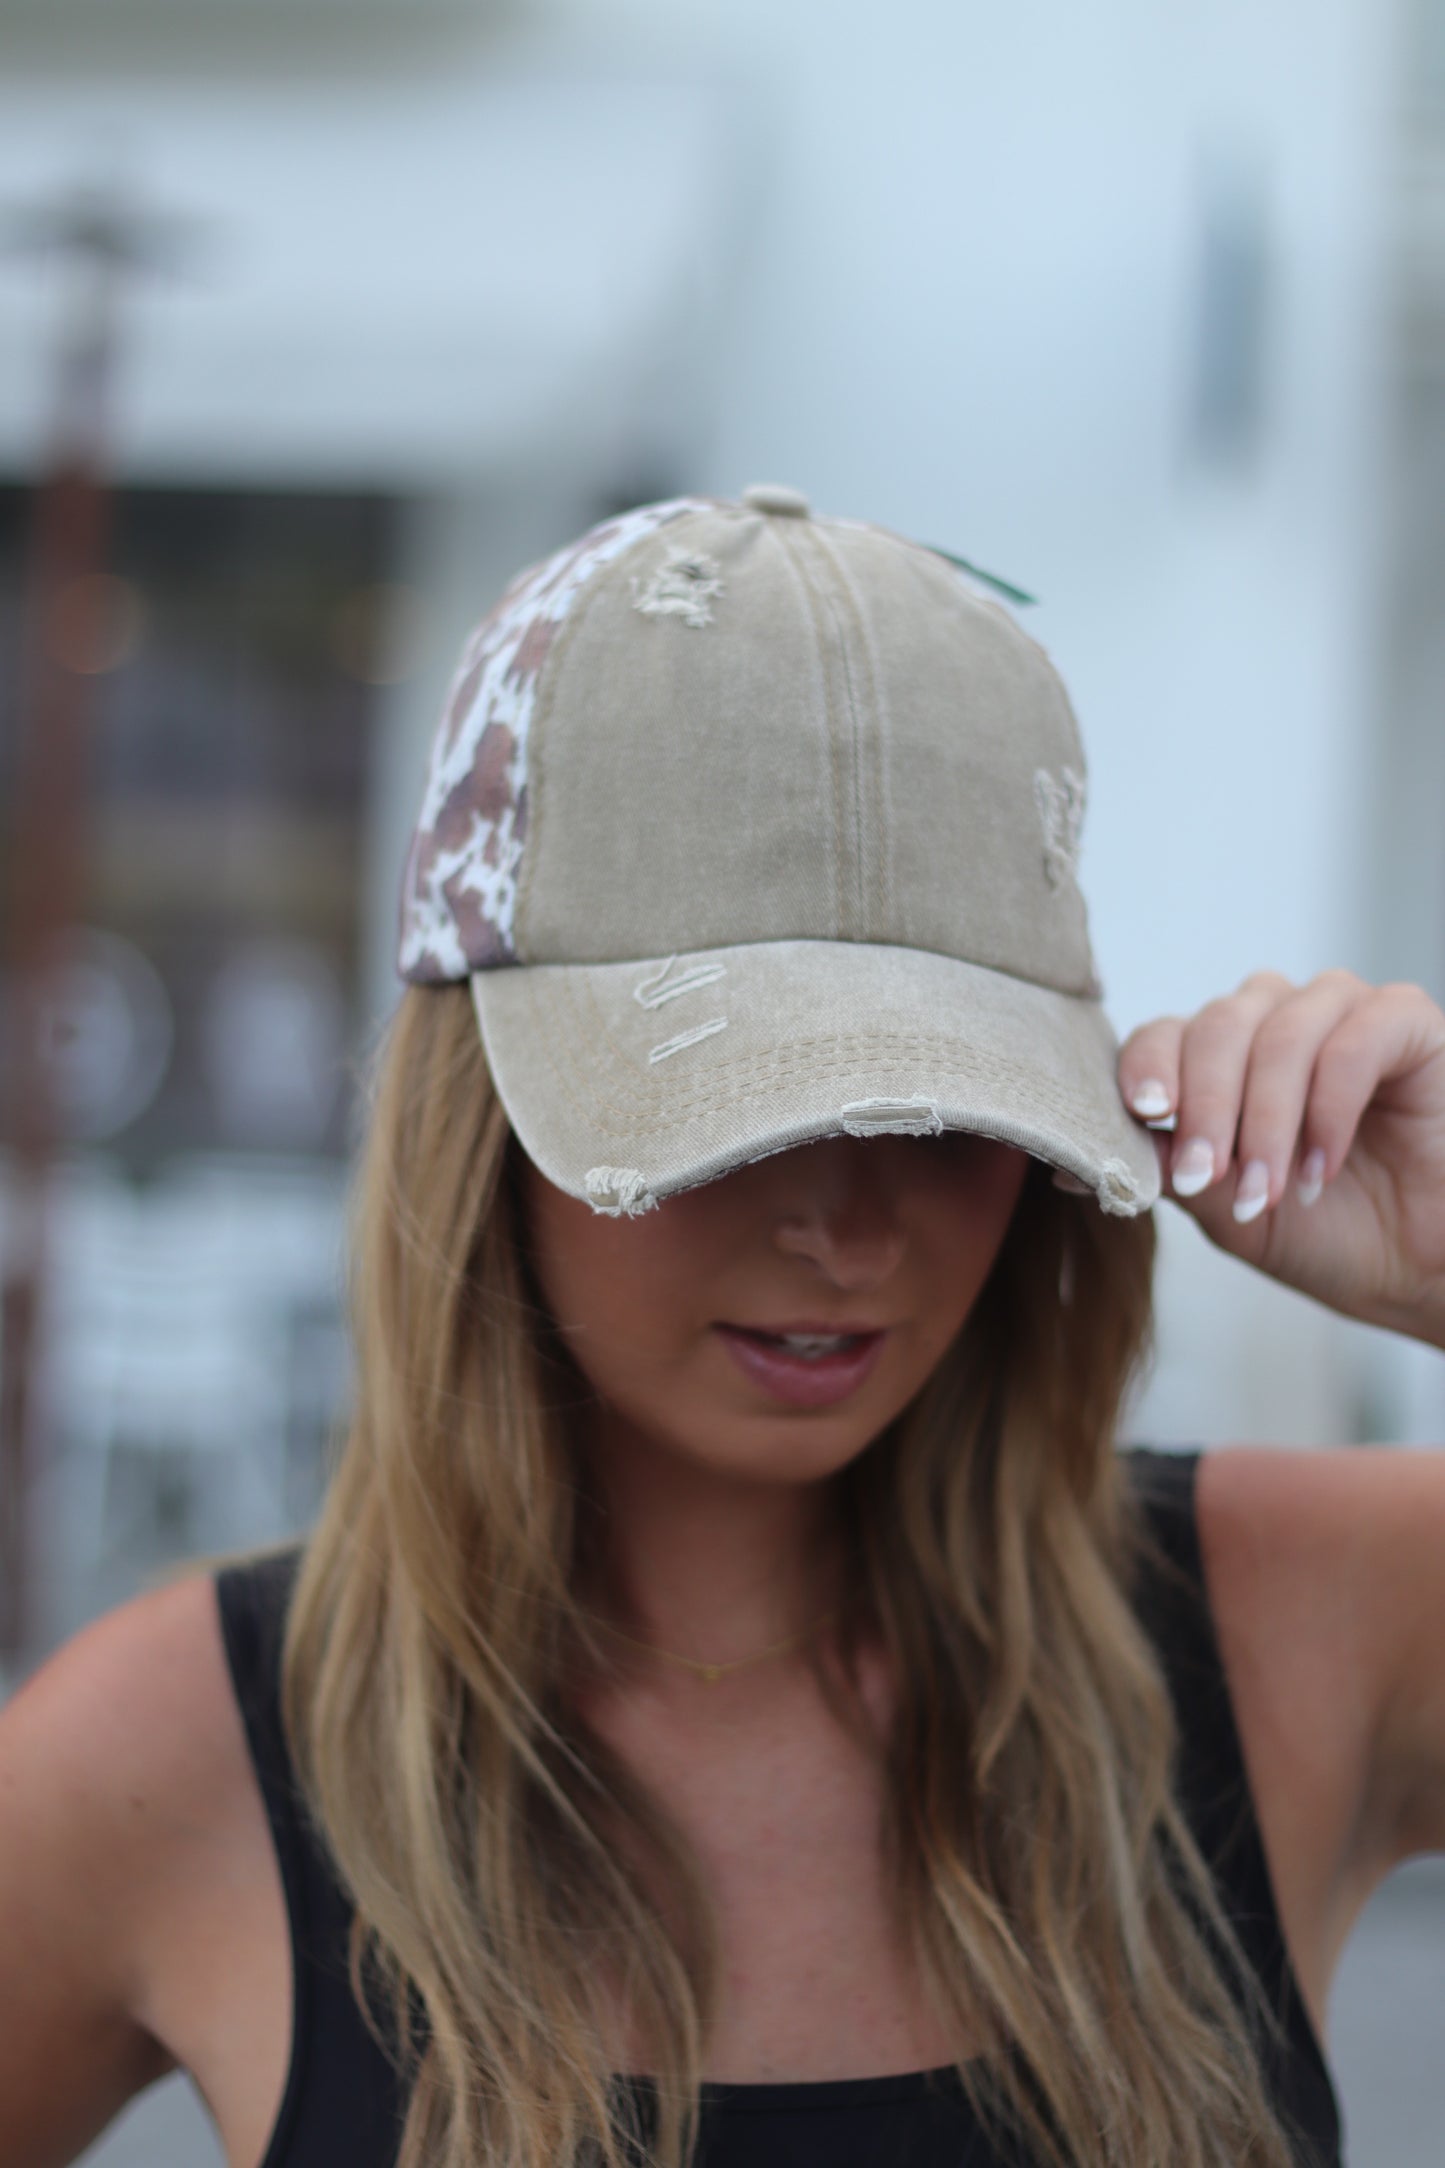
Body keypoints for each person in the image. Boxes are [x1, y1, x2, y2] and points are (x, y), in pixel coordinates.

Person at [1, 484, 1443, 2168]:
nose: (841, 1226)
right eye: (728, 1110)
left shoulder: (1290, 1624)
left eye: (935, 1109)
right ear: (489, 1116)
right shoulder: (181, 1747)